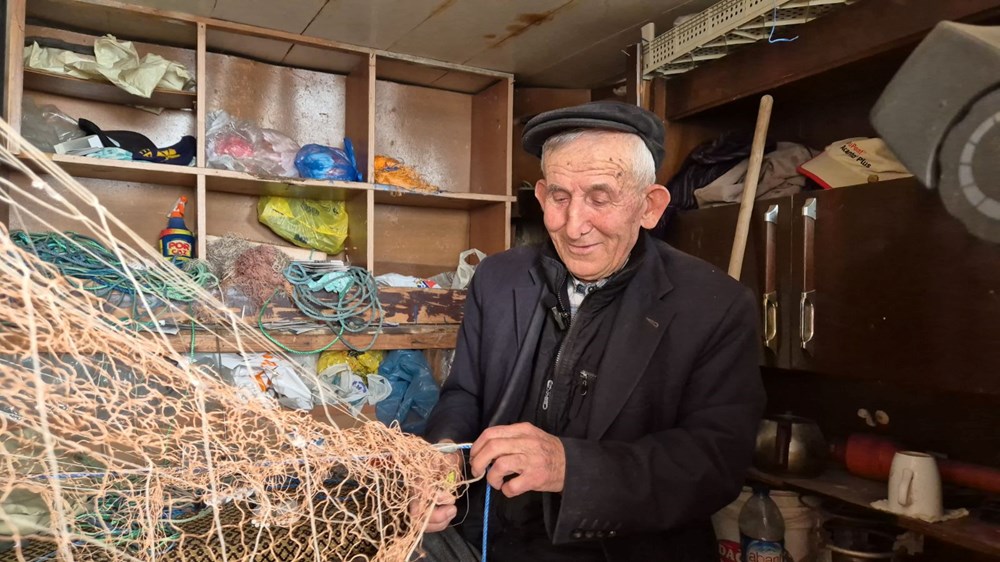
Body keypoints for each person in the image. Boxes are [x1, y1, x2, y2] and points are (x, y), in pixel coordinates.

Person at [420, 101, 766, 561]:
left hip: (620, 549)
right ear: (541, 197)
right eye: (559, 198)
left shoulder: (716, 305)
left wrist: (570, 467)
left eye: (600, 198)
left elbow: (715, 463)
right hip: (488, 537)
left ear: (650, 206)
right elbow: (464, 392)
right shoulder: (498, 278)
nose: (574, 225)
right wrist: (443, 454)